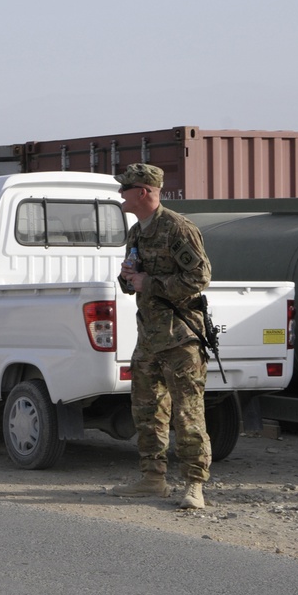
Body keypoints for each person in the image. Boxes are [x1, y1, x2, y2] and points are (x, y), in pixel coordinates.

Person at [111, 163, 212, 509]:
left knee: (187, 413)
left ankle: (194, 485)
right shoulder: (137, 232)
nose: (119, 195)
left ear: (143, 192)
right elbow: (130, 284)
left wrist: (148, 283)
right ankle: (153, 478)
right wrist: (127, 277)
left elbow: (199, 278)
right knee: (148, 410)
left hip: (181, 339)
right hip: (150, 338)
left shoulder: (178, 228)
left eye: (124, 189)